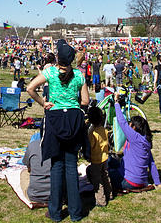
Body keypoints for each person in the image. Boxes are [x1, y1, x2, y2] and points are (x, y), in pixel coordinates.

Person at [27, 41, 90, 222]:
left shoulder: (50, 72)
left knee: (56, 165)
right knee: (71, 165)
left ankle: (55, 212)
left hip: (55, 118)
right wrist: (72, 102)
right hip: (73, 119)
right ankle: (75, 212)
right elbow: (85, 101)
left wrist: (43, 102)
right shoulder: (79, 75)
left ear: (57, 59)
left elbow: (30, 88)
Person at [109, 92, 161, 192]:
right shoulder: (145, 142)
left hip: (129, 181)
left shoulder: (134, 137)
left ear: (134, 127)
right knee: (110, 160)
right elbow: (151, 163)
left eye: (130, 124)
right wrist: (158, 183)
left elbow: (122, 122)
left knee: (100, 172)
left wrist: (116, 103)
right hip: (142, 182)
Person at [86, 104, 111, 207]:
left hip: (96, 159)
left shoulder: (92, 133)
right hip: (105, 157)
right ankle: (109, 193)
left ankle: (101, 200)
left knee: (97, 181)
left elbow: (91, 146)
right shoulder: (104, 130)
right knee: (105, 176)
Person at [21, 131, 51, 208]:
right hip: (58, 195)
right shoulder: (61, 146)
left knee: (24, 173)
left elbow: (28, 167)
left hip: (35, 195)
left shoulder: (33, 145)